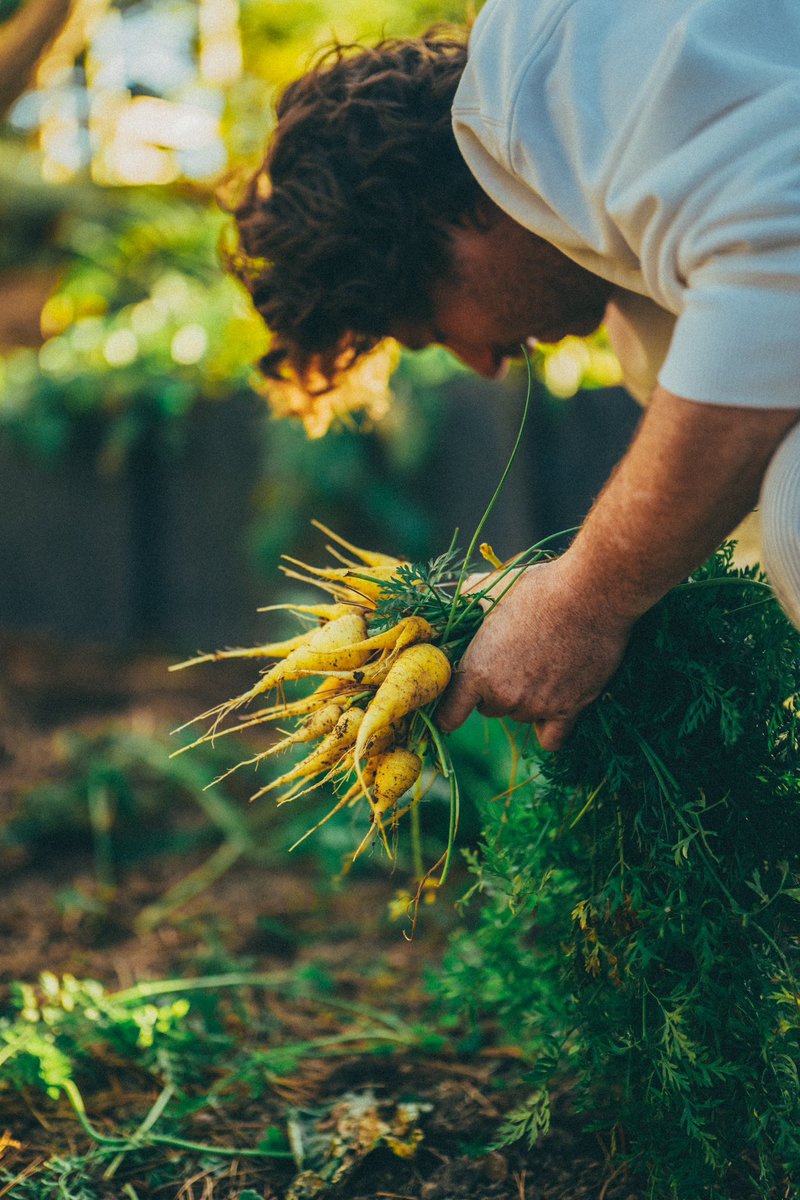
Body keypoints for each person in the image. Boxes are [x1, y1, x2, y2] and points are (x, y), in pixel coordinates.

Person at [227, 0, 800, 750]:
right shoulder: (634, 298)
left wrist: (587, 597)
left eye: (436, 331)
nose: (487, 364)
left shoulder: (558, 62)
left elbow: (780, 270)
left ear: (446, 221)